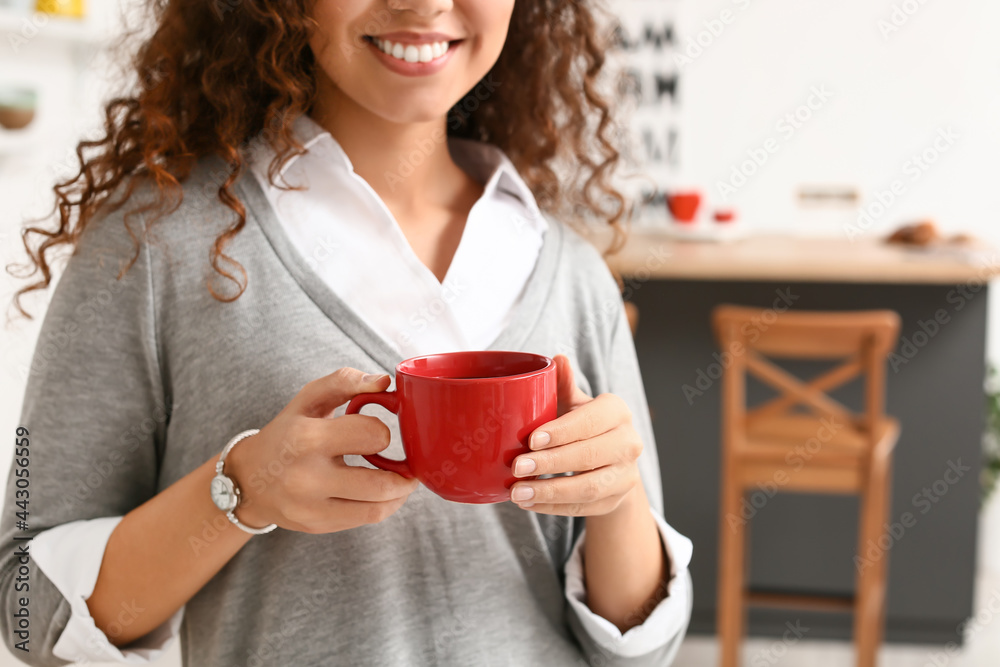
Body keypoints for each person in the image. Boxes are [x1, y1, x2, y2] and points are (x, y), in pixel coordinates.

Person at [1, 0, 693, 665]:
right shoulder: (153, 248)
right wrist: (241, 491)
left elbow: (646, 644)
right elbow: (24, 607)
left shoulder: (571, 270)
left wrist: (618, 495)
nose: (423, 4)